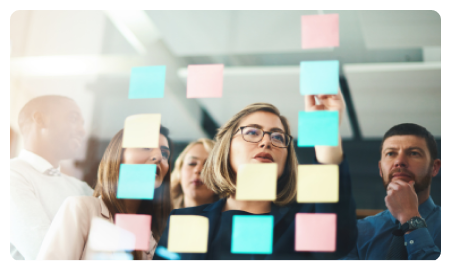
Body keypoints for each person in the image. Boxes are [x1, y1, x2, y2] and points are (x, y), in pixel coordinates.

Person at [154, 91, 357, 261]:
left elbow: (337, 242)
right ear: (227, 148)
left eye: (278, 136)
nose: (266, 142)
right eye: (252, 132)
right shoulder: (181, 223)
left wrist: (325, 133)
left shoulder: (300, 222)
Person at [36, 127, 173, 261]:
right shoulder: (81, 209)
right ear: (118, 155)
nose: (159, 157)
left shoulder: (160, 232)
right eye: (146, 147)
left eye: (165, 154)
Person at [10, 95, 94, 261]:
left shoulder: (80, 188)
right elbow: (47, 256)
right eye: (73, 118)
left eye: (83, 124)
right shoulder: (11, 174)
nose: (82, 130)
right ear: (40, 119)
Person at [340, 123, 441, 261]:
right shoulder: (357, 233)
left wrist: (410, 218)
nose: (399, 161)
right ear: (381, 169)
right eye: (391, 153)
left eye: (413, 153)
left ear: (434, 168)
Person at [171, 138, 218, 209]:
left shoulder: (232, 218)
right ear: (179, 172)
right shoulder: (159, 215)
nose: (198, 170)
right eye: (192, 163)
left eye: (208, 165)